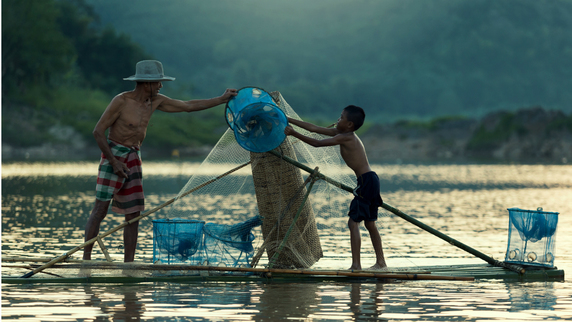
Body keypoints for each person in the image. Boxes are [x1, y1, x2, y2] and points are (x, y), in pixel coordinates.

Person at [83, 60, 237, 262]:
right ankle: (85, 260)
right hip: (113, 156)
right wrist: (113, 162)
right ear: (146, 83)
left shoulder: (155, 101)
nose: (160, 86)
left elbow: (188, 106)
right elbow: (98, 132)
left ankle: (128, 265)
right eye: (158, 83)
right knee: (100, 209)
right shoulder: (121, 101)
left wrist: (221, 99)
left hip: (133, 157)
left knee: (133, 214)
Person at [284, 105, 387, 270]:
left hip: (367, 181)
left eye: (341, 118)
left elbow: (317, 144)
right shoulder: (342, 134)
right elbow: (314, 128)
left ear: (349, 125)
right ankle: (381, 263)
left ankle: (356, 266)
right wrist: (289, 120)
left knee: (354, 223)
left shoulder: (347, 138)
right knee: (369, 224)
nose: (337, 120)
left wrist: (293, 133)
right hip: (370, 180)